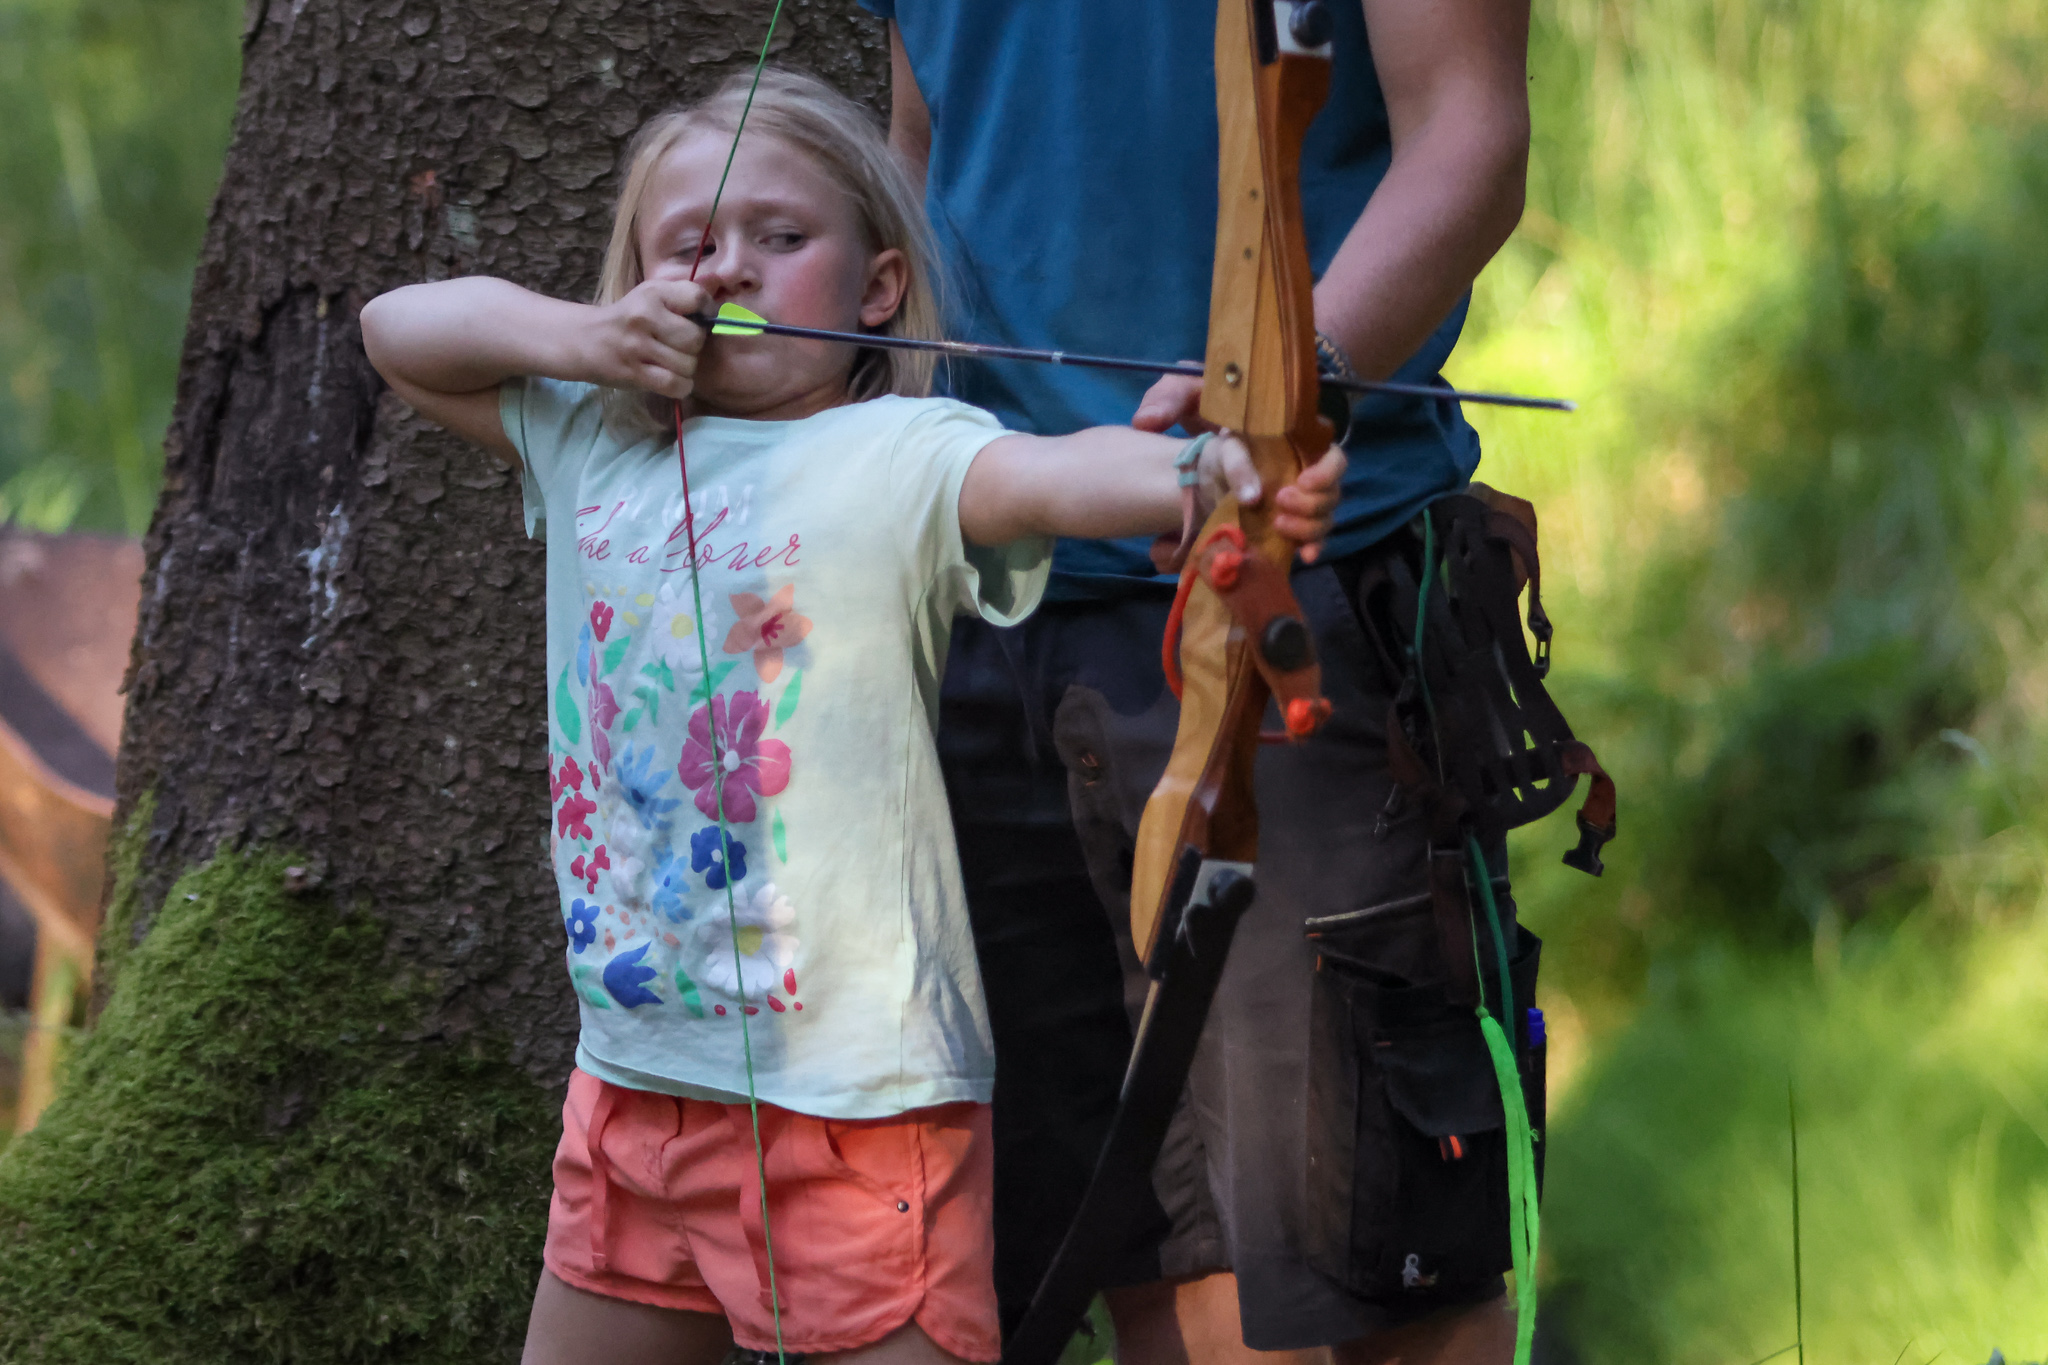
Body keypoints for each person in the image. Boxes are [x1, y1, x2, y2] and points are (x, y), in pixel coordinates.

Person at [359, 68, 1344, 1365]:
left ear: (878, 288)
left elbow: (1051, 475)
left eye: (782, 236)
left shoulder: (900, 451)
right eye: (691, 244)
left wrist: (1208, 471)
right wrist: (590, 341)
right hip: (635, 1086)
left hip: (858, 1110)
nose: (732, 269)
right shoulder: (593, 440)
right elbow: (396, 328)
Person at [865, 3, 1535, 1364]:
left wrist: (1287, 384)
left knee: (1377, 1245)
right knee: (1151, 1241)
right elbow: (919, 146)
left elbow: (1470, 137)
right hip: (993, 600)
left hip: (1295, 596)